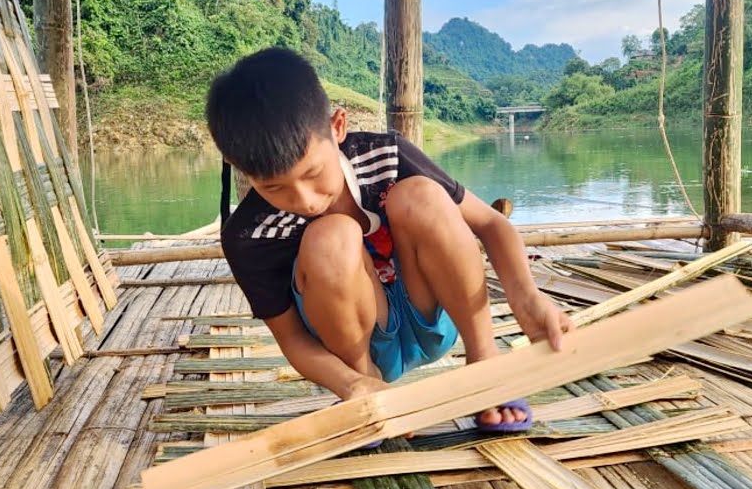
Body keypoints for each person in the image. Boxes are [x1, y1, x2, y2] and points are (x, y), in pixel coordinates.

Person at [206, 47, 571, 432]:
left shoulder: (385, 155)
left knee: (420, 195)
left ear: (337, 126)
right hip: (354, 347)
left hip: (431, 311)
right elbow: (292, 338)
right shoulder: (249, 234)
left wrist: (527, 298)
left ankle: (484, 362)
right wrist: (349, 383)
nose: (305, 201)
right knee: (331, 236)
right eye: (274, 188)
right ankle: (369, 386)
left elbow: (491, 224)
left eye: (313, 173)